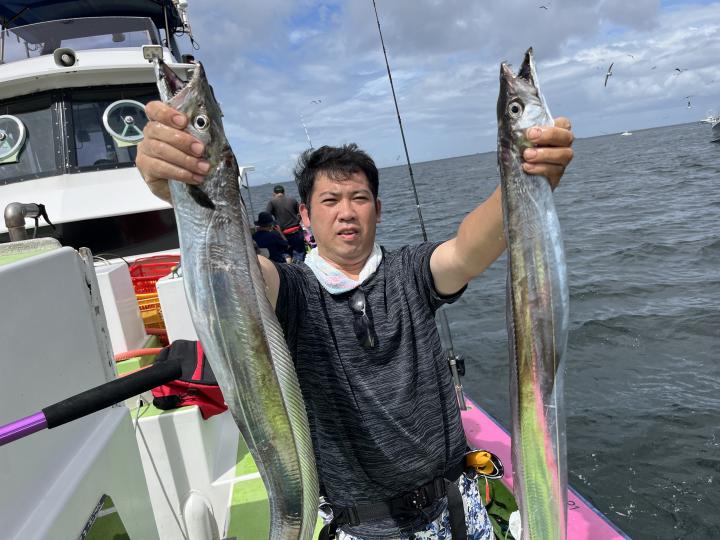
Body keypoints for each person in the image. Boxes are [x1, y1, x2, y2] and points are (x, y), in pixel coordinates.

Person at [136, 100, 573, 540]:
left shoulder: (410, 273)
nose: (346, 212)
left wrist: (521, 176)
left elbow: (465, 251)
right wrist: (188, 192)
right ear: (305, 215)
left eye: (359, 198)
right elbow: (240, 272)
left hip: (457, 508)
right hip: (362, 528)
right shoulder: (294, 290)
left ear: (377, 209)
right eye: (329, 200)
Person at [266, 184, 306, 263]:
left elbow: (267, 216)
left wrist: (274, 225)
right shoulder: (292, 200)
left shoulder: (272, 202)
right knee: (300, 255)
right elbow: (301, 213)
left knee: (286, 255)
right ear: (284, 192)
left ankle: (290, 268)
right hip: (296, 231)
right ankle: (299, 267)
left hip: (283, 234)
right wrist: (298, 220)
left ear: (274, 193)